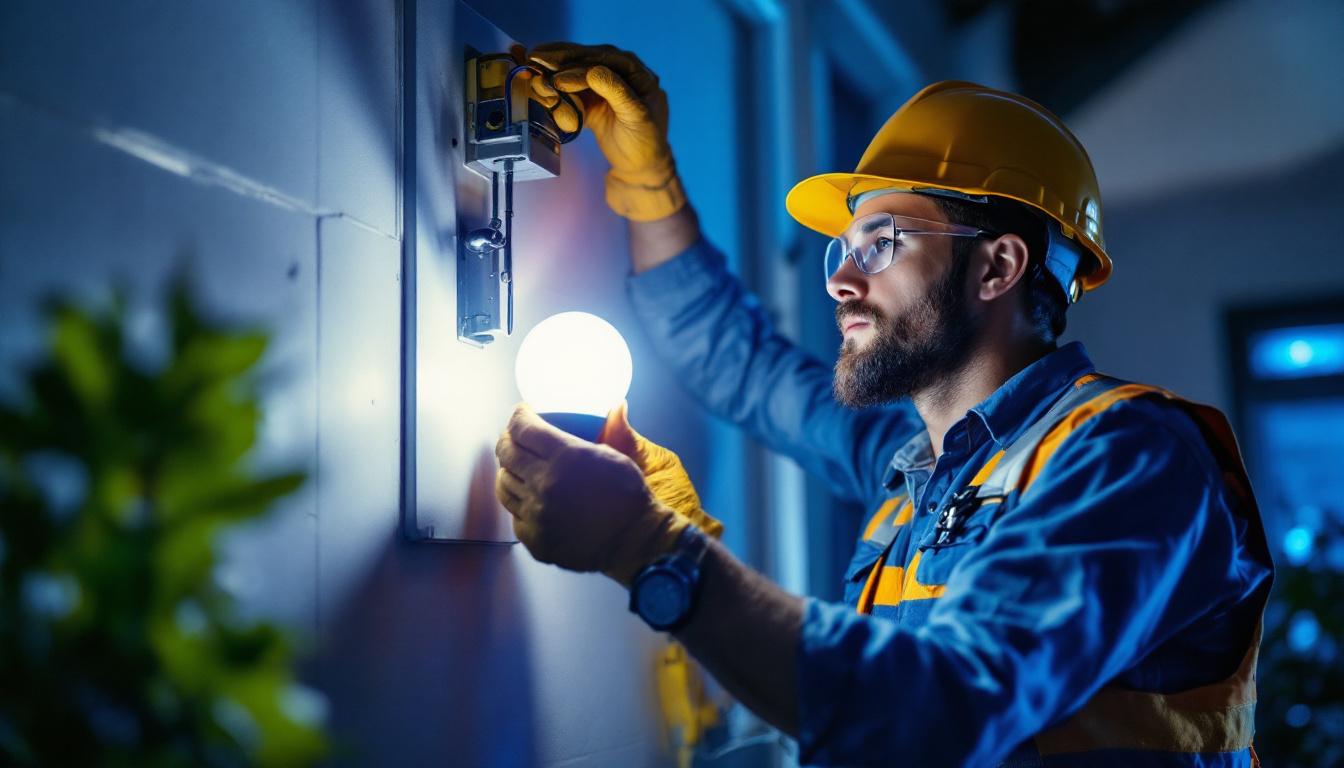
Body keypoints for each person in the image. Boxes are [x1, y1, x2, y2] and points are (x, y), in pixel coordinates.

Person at [494, 43, 1274, 767]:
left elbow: (943, 710)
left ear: (998, 265)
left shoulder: (1130, 457)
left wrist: (650, 546)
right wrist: (647, 183)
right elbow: (739, 364)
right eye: (844, 248)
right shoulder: (915, 469)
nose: (840, 280)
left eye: (882, 242)